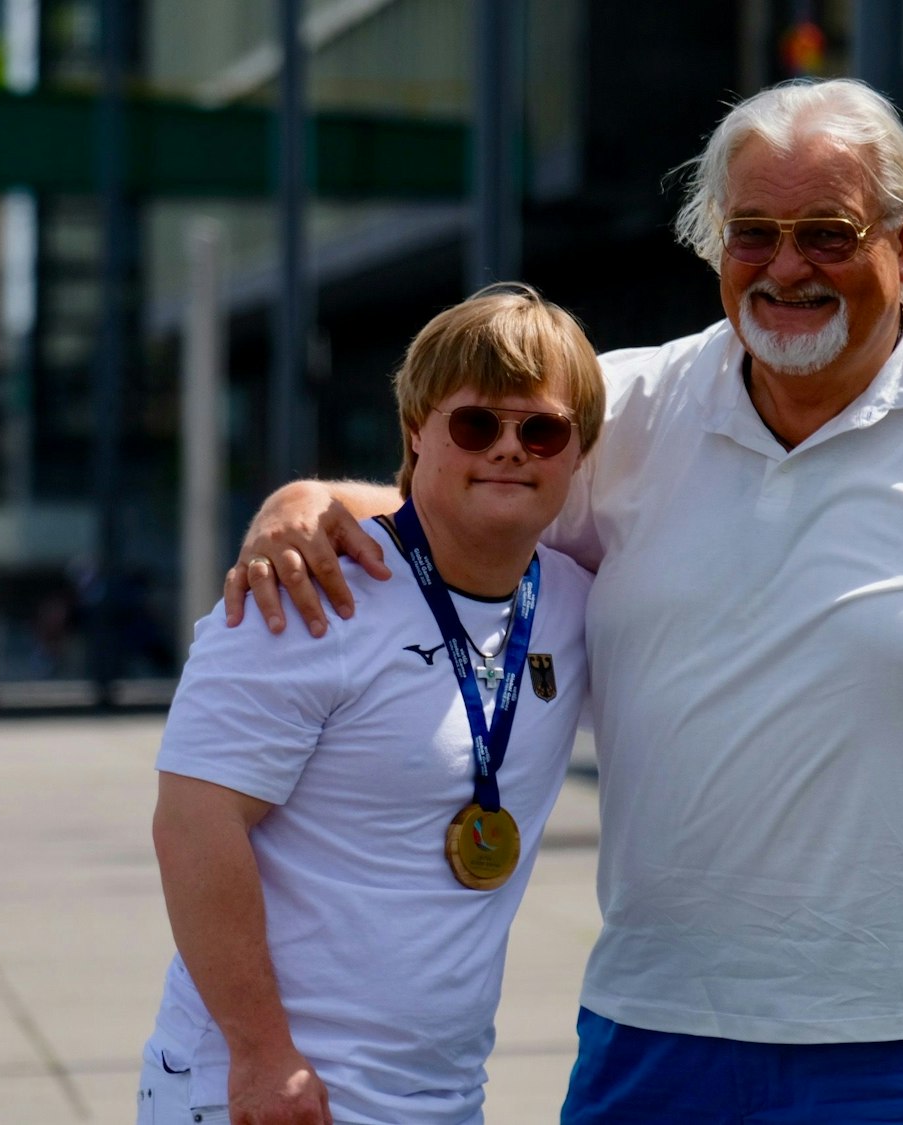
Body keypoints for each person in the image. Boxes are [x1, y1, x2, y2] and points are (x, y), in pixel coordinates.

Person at [229, 79, 903, 1124]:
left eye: (825, 234)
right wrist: (310, 500)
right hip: (655, 1025)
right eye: (752, 234)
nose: (785, 268)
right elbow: (463, 507)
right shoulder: (627, 414)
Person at [142, 284, 605, 1125]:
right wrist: (260, 1052)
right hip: (272, 1090)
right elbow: (192, 822)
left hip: (445, 1097)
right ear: (417, 430)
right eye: (477, 424)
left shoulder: (578, 606)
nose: (509, 448)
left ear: (577, 454)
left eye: (540, 429)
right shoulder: (304, 594)